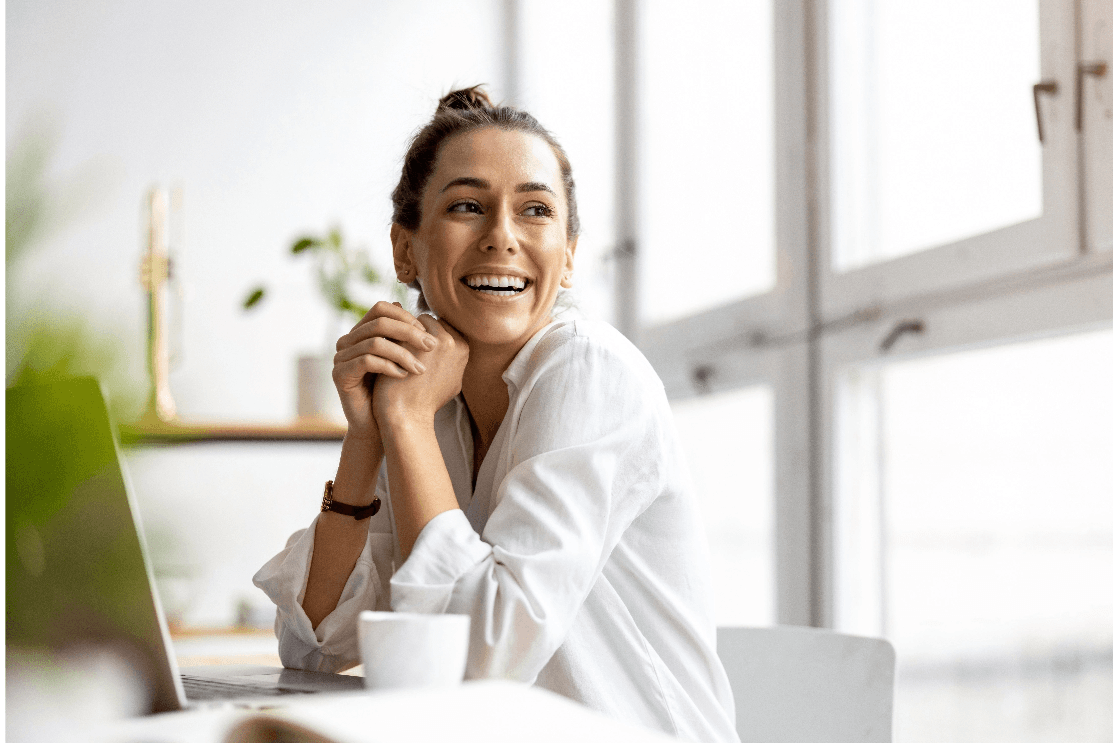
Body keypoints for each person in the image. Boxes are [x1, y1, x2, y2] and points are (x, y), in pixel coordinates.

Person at [254, 86, 740, 743]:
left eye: (534, 209)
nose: (501, 237)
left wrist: (404, 425)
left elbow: (482, 657)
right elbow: (312, 648)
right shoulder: (431, 400)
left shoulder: (589, 373)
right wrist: (369, 433)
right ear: (405, 251)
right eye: (466, 206)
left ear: (567, 255)